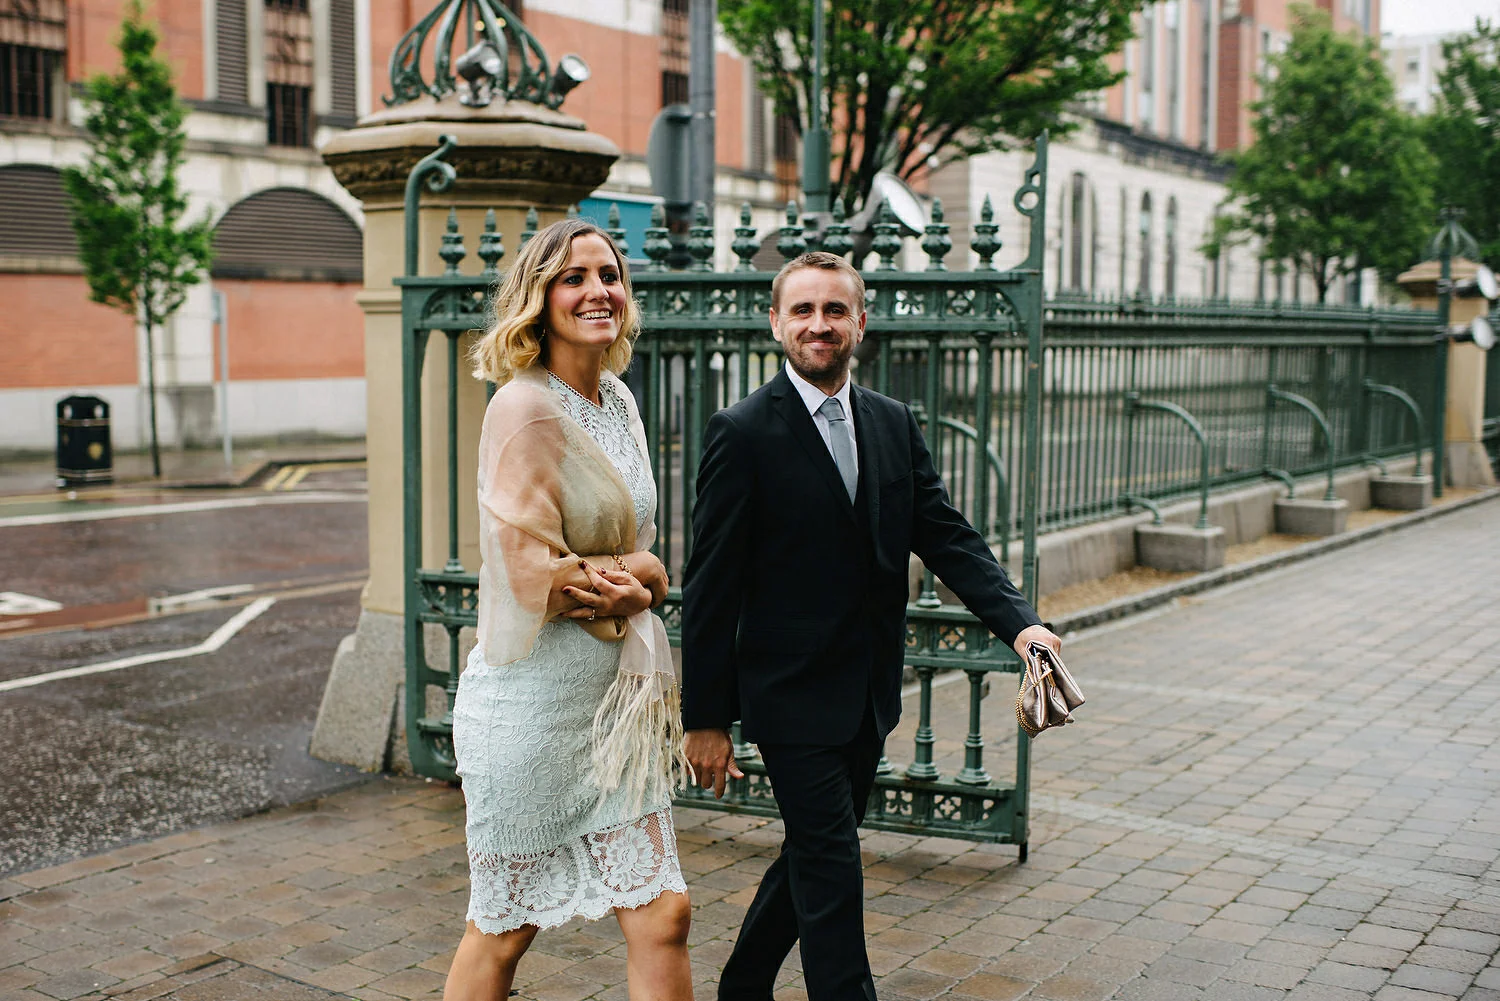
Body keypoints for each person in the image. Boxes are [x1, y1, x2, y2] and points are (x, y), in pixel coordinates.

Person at [680, 252, 1063, 1001]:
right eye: (802, 310)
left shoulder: (891, 421)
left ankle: (742, 985)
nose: (818, 325)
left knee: (813, 851)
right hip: (788, 695)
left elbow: (945, 534)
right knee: (832, 865)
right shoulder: (742, 432)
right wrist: (706, 717)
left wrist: (1022, 626)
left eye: (834, 310)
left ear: (861, 321)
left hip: (867, 694)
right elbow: (711, 586)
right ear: (776, 323)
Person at [444, 219, 693, 1001]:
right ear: (540, 298)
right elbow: (530, 578)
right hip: (532, 709)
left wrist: (644, 573)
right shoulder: (523, 406)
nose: (598, 291)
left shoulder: (618, 400)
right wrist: (643, 576)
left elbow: (642, 548)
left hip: (611, 711)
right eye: (574, 277)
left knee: (664, 913)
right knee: (504, 928)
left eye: (609, 274)